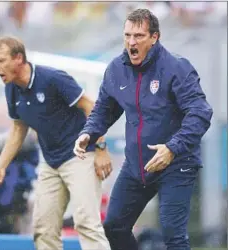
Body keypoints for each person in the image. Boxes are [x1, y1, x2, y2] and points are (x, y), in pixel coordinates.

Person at [74, 8, 213, 250]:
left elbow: (201, 112)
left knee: (173, 235)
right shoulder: (117, 69)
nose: (131, 42)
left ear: (154, 37)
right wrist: (89, 132)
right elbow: (104, 110)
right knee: (114, 226)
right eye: (127, 35)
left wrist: (172, 148)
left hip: (177, 163)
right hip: (137, 165)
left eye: (138, 36)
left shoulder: (176, 68)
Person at [0, 36, 112, 250]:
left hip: (80, 155)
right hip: (51, 162)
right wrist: (0, 166)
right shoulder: (11, 88)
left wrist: (100, 148)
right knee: (43, 229)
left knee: (87, 224)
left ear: (18, 59)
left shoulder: (52, 78)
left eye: (1, 60)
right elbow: (18, 129)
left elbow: (92, 107)